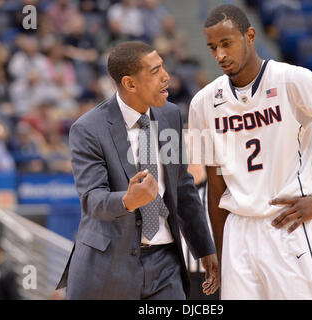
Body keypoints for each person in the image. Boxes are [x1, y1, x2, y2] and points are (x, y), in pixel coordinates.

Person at [187, 4, 312, 300]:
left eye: (226, 44)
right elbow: (216, 185)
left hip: (288, 225)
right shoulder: (203, 103)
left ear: (250, 35)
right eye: (212, 47)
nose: (219, 55)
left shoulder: (292, 80)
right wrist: (218, 250)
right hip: (237, 233)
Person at [56, 41, 219, 299]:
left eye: (163, 67)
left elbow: (183, 189)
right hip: (110, 266)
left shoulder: (170, 116)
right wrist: (127, 200)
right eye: (155, 71)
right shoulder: (88, 129)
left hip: (165, 263)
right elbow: (91, 199)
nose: (167, 76)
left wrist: (205, 249)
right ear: (130, 84)